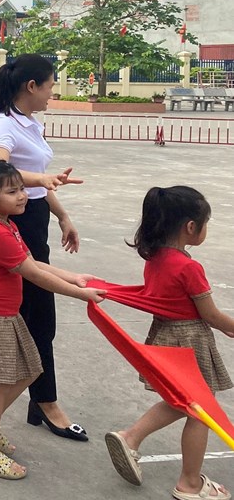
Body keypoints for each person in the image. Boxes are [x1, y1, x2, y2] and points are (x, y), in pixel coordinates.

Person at [0, 161, 104, 480]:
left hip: (5, 314)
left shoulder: (6, 224)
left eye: (22, 189)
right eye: (12, 191)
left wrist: (73, 277)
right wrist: (81, 294)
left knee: (30, 370)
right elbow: (33, 274)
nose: (22, 196)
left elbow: (33, 262)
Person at [104, 187, 233, 499]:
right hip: (189, 341)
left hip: (165, 336)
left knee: (183, 401)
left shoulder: (156, 258)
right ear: (191, 227)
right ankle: (190, 483)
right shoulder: (189, 267)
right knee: (200, 411)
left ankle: (131, 437)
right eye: (206, 223)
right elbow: (210, 315)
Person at [0, 53, 86, 440]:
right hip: (19, 223)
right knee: (38, 318)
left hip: (36, 216)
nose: (51, 93)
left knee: (33, 317)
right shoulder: (4, 124)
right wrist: (40, 179)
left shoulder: (30, 122)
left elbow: (41, 182)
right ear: (31, 86)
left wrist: (62, 215)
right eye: (50, 86)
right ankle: (46, 403)